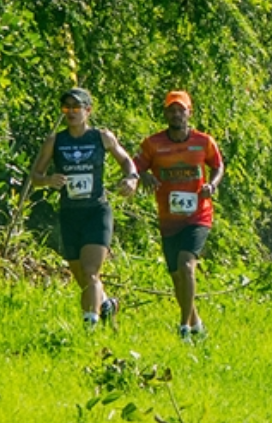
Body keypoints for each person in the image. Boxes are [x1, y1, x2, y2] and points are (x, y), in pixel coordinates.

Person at [26, 87, 139, 327]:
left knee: (90, 272)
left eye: (76, 107)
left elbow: (126, 161)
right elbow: (35, 175)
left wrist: (131, 178)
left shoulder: (102, 137)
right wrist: (48, 180)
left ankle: (90, 326)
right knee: (80, 276)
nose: (71, 112)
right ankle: (106, 304)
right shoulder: (55, 141)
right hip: (69, 213)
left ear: (88, 111)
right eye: (67, 108)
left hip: (96, 211)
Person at [136, 90, 225, 339]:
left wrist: (213, 185)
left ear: (189, 112)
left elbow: (217, 165)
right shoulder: (152, 144)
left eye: (181, 109)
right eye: (171, 110)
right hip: (169, 218)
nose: (176, 114)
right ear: (165, 113)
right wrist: (145, 176)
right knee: (177, 276)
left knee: (187, 266)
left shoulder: (203, 141)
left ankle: (183, 328)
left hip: (198, 215)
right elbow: (135, 166)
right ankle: (196, 325)